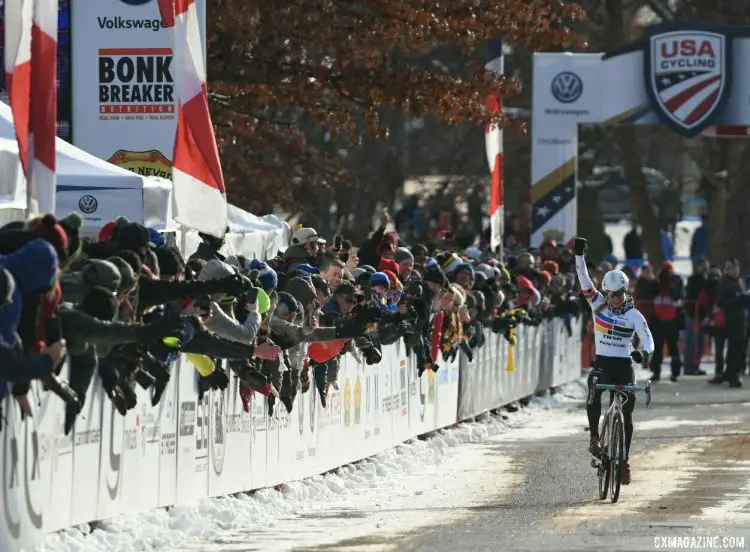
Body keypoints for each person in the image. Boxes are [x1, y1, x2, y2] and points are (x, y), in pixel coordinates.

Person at [574, 236, 654, 486]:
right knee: (593, 384)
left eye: (619, 293)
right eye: (611, 294)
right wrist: (579, 255)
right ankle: (595, 439)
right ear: (606, 293)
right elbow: (584, 279)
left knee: (627, 415)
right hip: (603, 364)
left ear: (625, 291)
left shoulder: (634, 315)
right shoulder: (598, 304)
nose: (616, 298)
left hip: (623, 368)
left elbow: (648, 339)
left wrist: (643, 353)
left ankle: (624, 462)